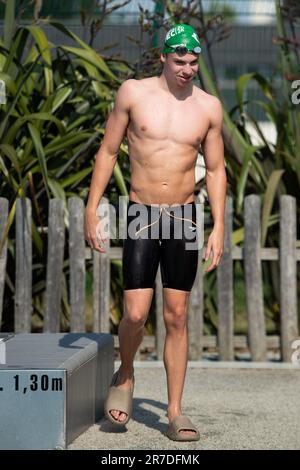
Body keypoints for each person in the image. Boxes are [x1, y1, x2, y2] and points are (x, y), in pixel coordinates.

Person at [84, 23, 227, 442]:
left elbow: (216, 170)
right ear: (163, 57)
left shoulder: (209, 107)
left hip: (183, 218)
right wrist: (93, 210)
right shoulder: (133, 93)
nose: (187, 69)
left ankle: (175, 410)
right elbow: (109, 150)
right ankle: (125, 375)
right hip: (143, 214)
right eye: (180, 61)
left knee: (177, 316)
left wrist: (218, 225)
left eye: (193, 62)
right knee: (135, 313)